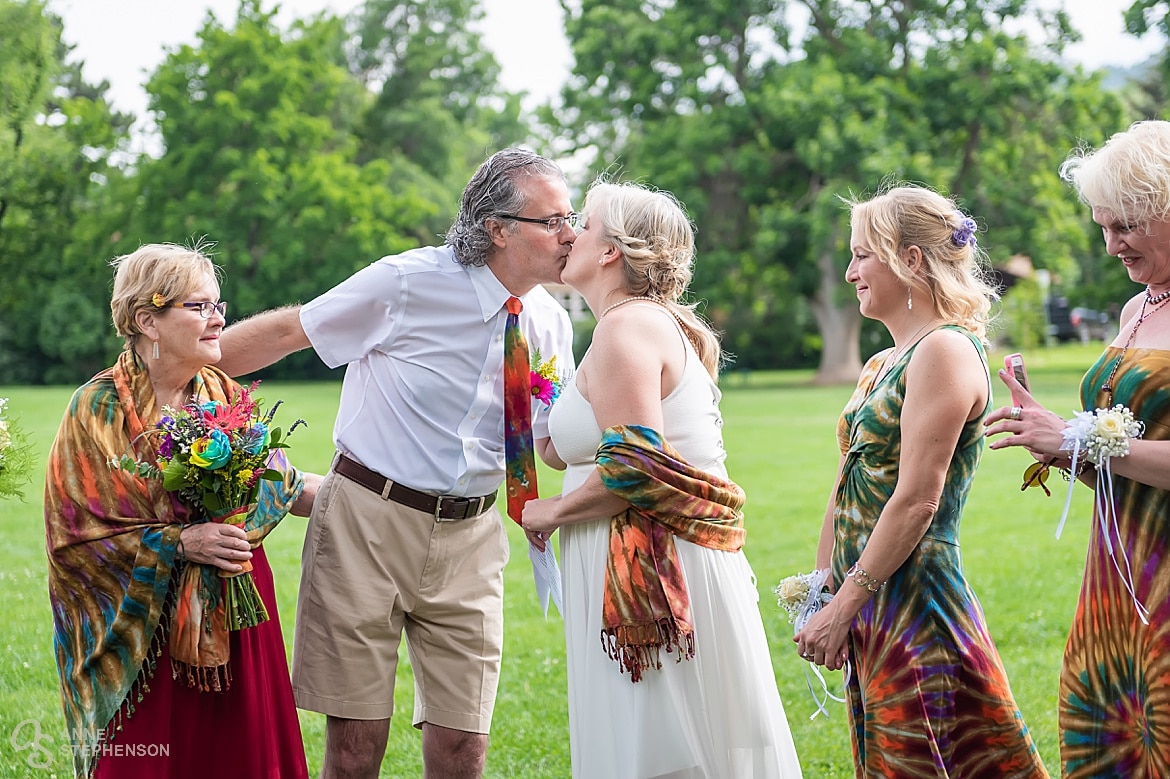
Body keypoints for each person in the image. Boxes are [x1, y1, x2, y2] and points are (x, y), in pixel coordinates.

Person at [214, 147, 576, 778]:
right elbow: (290, 333)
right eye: (553, 221)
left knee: (465, 745)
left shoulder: (549, 320)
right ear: (499, 230)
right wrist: (174, 375)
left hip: (474, 538)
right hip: (367, 524)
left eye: (571, 217)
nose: (571, 234)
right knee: (356, 747)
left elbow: (549, 441)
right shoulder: (407, 282)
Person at [521, 180, 804, 778]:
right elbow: (576, 452)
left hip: (652, 570)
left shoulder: (626, 329)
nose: (568, 231)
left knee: (662, 750)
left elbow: (635, 465)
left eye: (584, 222)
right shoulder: (633, 326)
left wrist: (548, 514)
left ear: (610, 252)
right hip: (636, 555)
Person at [793, 186, 1049, 777]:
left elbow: (916, 500)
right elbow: (845, 485)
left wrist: (846, 601)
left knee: (939, 757)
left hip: (918, 603)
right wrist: (822, 589)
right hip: (872, 594)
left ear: (910, 261)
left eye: (863, 255)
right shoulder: (882, 362)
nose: (851, 271)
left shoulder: (947, 351)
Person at [44, 243, 319, 779]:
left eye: (219, 305)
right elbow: (75, 539)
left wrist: (387, 496)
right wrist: (180, 543)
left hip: (236, 605)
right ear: (147, 319)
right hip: (146, 627)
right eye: (200, 307)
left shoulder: (222, 393)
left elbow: (281, 483)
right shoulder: (96, 410)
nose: (219, 320)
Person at [986, 119, 1170, 778]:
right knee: (1101, 745)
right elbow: (1126, 471)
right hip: (1115, 584)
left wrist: (1078, 436)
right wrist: (1061, 444)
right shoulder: (1135, 310)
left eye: (1125, 225)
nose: (1110, 243)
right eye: (1102, 225)